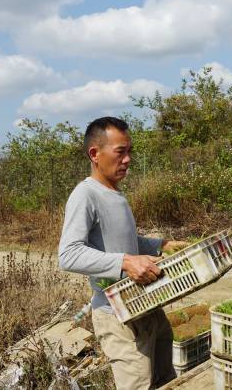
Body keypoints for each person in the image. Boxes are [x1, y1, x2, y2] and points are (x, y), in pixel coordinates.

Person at [58, 116, 187, 390]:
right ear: (95, 154)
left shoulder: (115, 193)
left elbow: (122, 242)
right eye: (120, 152)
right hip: (117, 316)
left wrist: (159, 245)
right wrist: (126, 262)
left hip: (146, 305)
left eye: (130, 152)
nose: (128, 159)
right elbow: (68, 254)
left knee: (166, 380)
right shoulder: (86, 194)